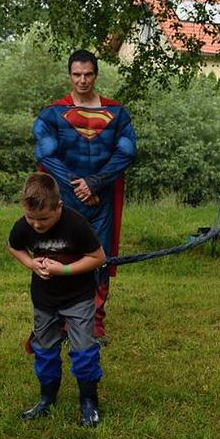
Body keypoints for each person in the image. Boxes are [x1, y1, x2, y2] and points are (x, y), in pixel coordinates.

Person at [32, 49, 137, 342]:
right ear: (69, 75)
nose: (82, 80)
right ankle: (59, 320)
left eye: (88, 74)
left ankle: (93, 323)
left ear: (96, 75)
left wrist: (95, 183)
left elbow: (128, 152)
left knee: (99, 257)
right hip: (64, 200)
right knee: (59, 253)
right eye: (77, 74)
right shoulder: (52, 114)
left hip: (101, 198)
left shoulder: (117, 113)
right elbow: (46, 155)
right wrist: (78, 187)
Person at [8, 172, 106, 427]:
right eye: (31, 218)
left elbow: (98, 257)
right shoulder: (24, 225)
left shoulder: (76, 225)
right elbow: (14, 247)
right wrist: (31, 264)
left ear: (58, 206)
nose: (36, 225)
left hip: (78, 298)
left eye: (43, 219)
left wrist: (63, 270)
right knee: (44, 349)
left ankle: (88, 402)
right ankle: (46, 399)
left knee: (84, 350)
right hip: (44, 300)